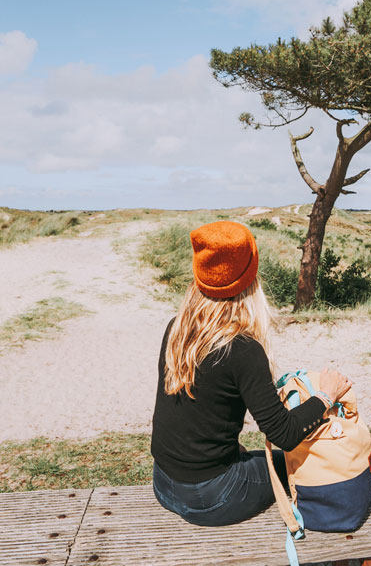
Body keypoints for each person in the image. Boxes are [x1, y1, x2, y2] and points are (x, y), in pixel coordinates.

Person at [150, 220, 353, 526]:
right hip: (210, 497)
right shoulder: (242, 349)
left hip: (163, 483)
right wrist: (327, 395)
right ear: (249, 279)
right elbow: (283, 434)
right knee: (293, 460)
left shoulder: (176, 329)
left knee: (252, 456)